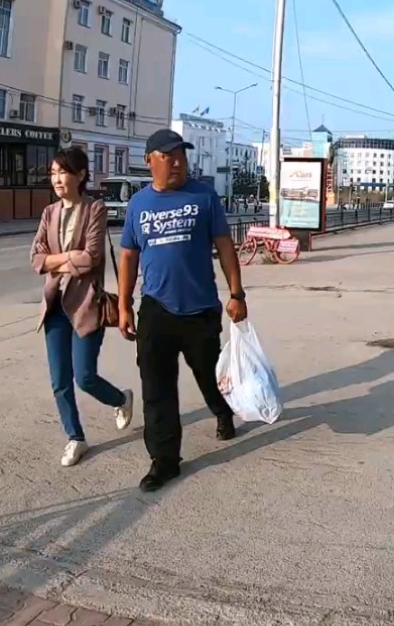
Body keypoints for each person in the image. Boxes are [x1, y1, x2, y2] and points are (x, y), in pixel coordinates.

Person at [117, 129, 247, 493]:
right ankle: (164, 460)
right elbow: (128, 255)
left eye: (181, 155)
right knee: (156, 388)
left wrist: (237, 293)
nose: (177, 162)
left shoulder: (204, 196)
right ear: (150, 161)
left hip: (200, 309)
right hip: (155, 309)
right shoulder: (139, 205)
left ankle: (223, 411)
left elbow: (224, 246)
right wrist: (123, 304)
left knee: (210, 375)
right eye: (168, 155)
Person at [31, 148, 134, 467]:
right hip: (54, 306)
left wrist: (55, 261)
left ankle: (121, 398)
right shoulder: (49, 213)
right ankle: (75, 438)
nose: (57, 179)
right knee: (59, 380)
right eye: (52, 173)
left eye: (63, 172)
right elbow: (35, 259)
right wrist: (65, 260)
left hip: (86, 304)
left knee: (85, 377)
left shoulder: (95, 209)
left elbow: (91, 257)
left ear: (80, 175)